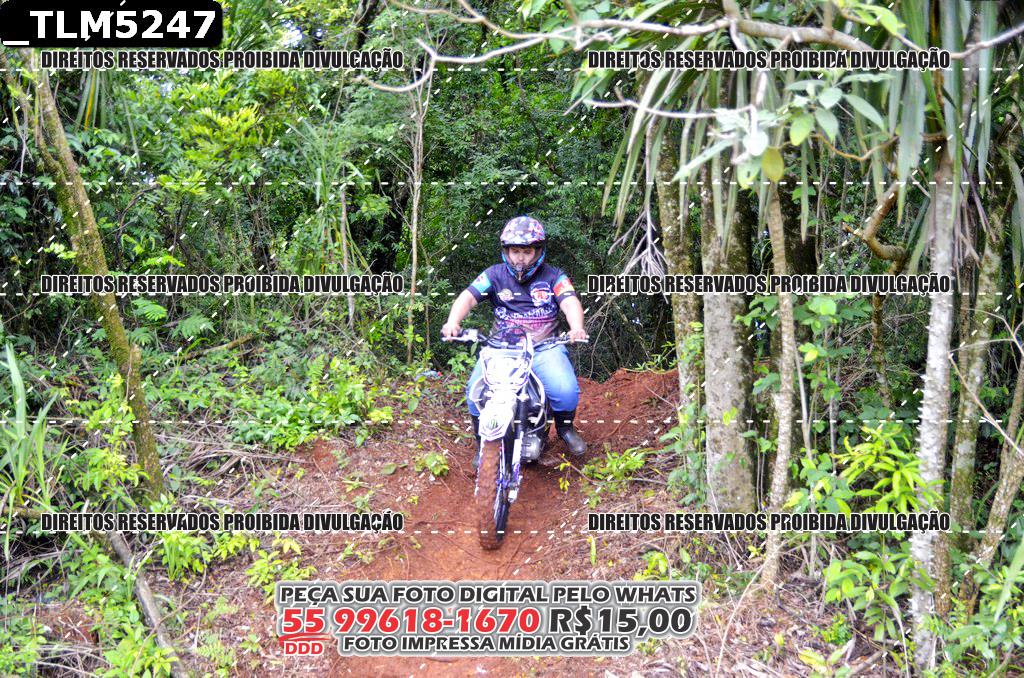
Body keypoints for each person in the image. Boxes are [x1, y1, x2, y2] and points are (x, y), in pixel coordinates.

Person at [441, 216, 588, 456]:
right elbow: (467, 297)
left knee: (565, 390)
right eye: (515, 251)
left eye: (527, 251)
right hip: (501, 348)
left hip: (544, 347)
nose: (520, 258)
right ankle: (481, 444)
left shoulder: (554, 276)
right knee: (475, 392)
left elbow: (570, 302)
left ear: (538, 251)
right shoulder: (493, 275)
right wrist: (452, 322)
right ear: (506, 251)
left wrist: (576, 327)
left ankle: (565, 429)